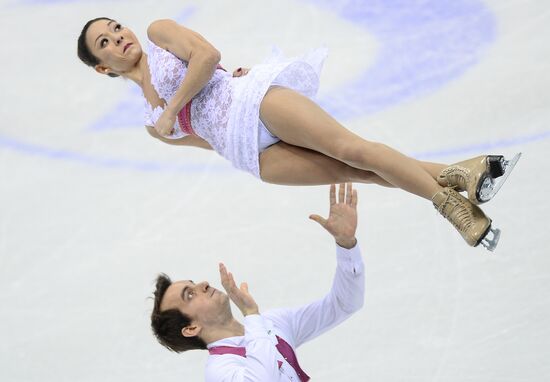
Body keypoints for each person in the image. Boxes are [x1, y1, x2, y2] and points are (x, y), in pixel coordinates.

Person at [76, 18, 519, 250]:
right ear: (101, 68)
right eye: (105, 43)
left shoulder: (157, 34)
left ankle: (455, 210)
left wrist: (174, 106)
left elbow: (208, 56)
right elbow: (207, 140)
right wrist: (171, 119)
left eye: (115, 28)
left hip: (254, 101)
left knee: (355, 150)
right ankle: (465, 173)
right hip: (251, 155)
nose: (118, 38)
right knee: (358, 173)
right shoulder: (152, 124)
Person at [150, 183, 364, 381]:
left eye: (194, 283)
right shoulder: (220, 370)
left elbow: (344, 305)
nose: (203, 284)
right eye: (190, 294)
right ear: (191, 328)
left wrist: (346, 245)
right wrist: (251, 314)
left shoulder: (271, 324)